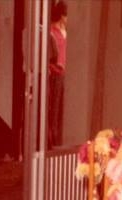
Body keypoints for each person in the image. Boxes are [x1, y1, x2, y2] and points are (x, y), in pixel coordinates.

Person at [48, 0, 67, 148]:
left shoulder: (66, 31)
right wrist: (55, 67)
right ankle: (52, 141)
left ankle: (58, 139)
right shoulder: (51, 31)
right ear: (62, 16)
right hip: (55, 74)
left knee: (62, 110)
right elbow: (49, 56)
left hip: (65, 74)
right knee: (53, 110)